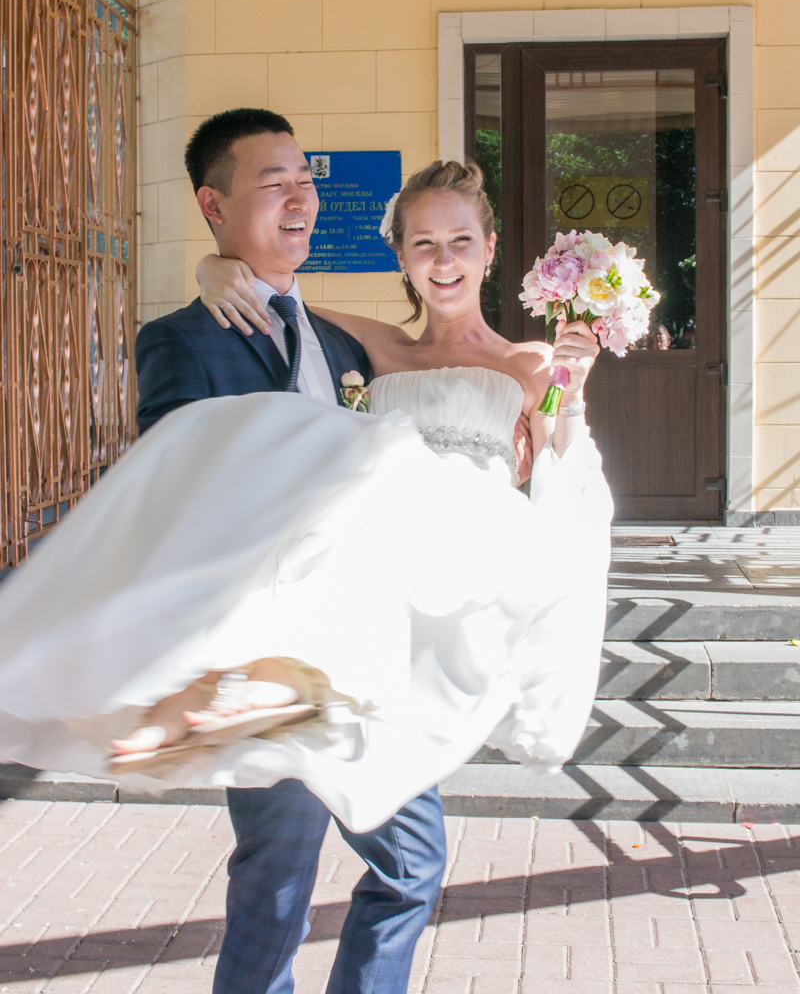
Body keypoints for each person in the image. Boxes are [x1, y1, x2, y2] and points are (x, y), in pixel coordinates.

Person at [0, 111, 612, 994]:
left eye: (305, 180)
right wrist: (215, 269)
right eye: (272, 182)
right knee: (278, 880)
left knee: (411, 866)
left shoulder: (384, 347)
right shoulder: (292, 338)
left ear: (489, 248)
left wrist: (569, 395)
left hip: (392, 636)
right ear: (400, 255)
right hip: (274, 647)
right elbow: (180, 479)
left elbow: (544, 460)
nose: (443, 259)